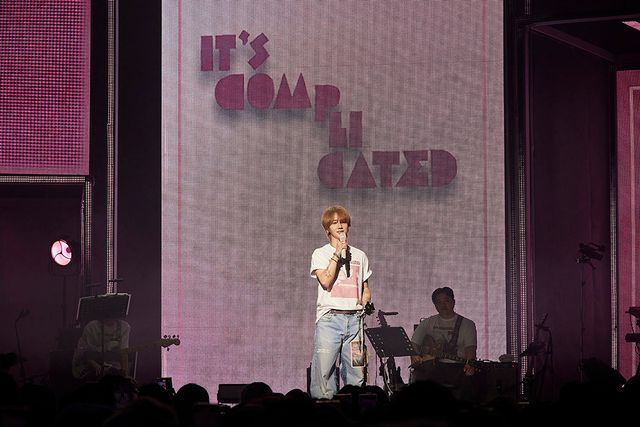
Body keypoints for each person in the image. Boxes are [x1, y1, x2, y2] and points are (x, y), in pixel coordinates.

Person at [309, 205, 372, 399]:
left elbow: (365, 287)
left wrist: (365, 301)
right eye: (334, 223)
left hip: (355, 322)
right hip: (330, 319)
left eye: (343, 222)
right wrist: (337, 253)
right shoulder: (320, 253)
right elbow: (326, 281)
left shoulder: (360, 255)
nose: (340, 226)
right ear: (327, 229)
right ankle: (325, 409)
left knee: (357, 371)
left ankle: (355, 407)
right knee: (324, 371)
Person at [409, 286, 477, 401]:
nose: (443, 305)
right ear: (435, 305)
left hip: (457, 367)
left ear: (453, 302)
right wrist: (415, 356)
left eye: (446, 301)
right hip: (432, 367)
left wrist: (470, 363)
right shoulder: (428, 322)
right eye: (438, 302)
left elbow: (470, 348)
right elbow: (414, 343)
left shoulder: (467, 324)